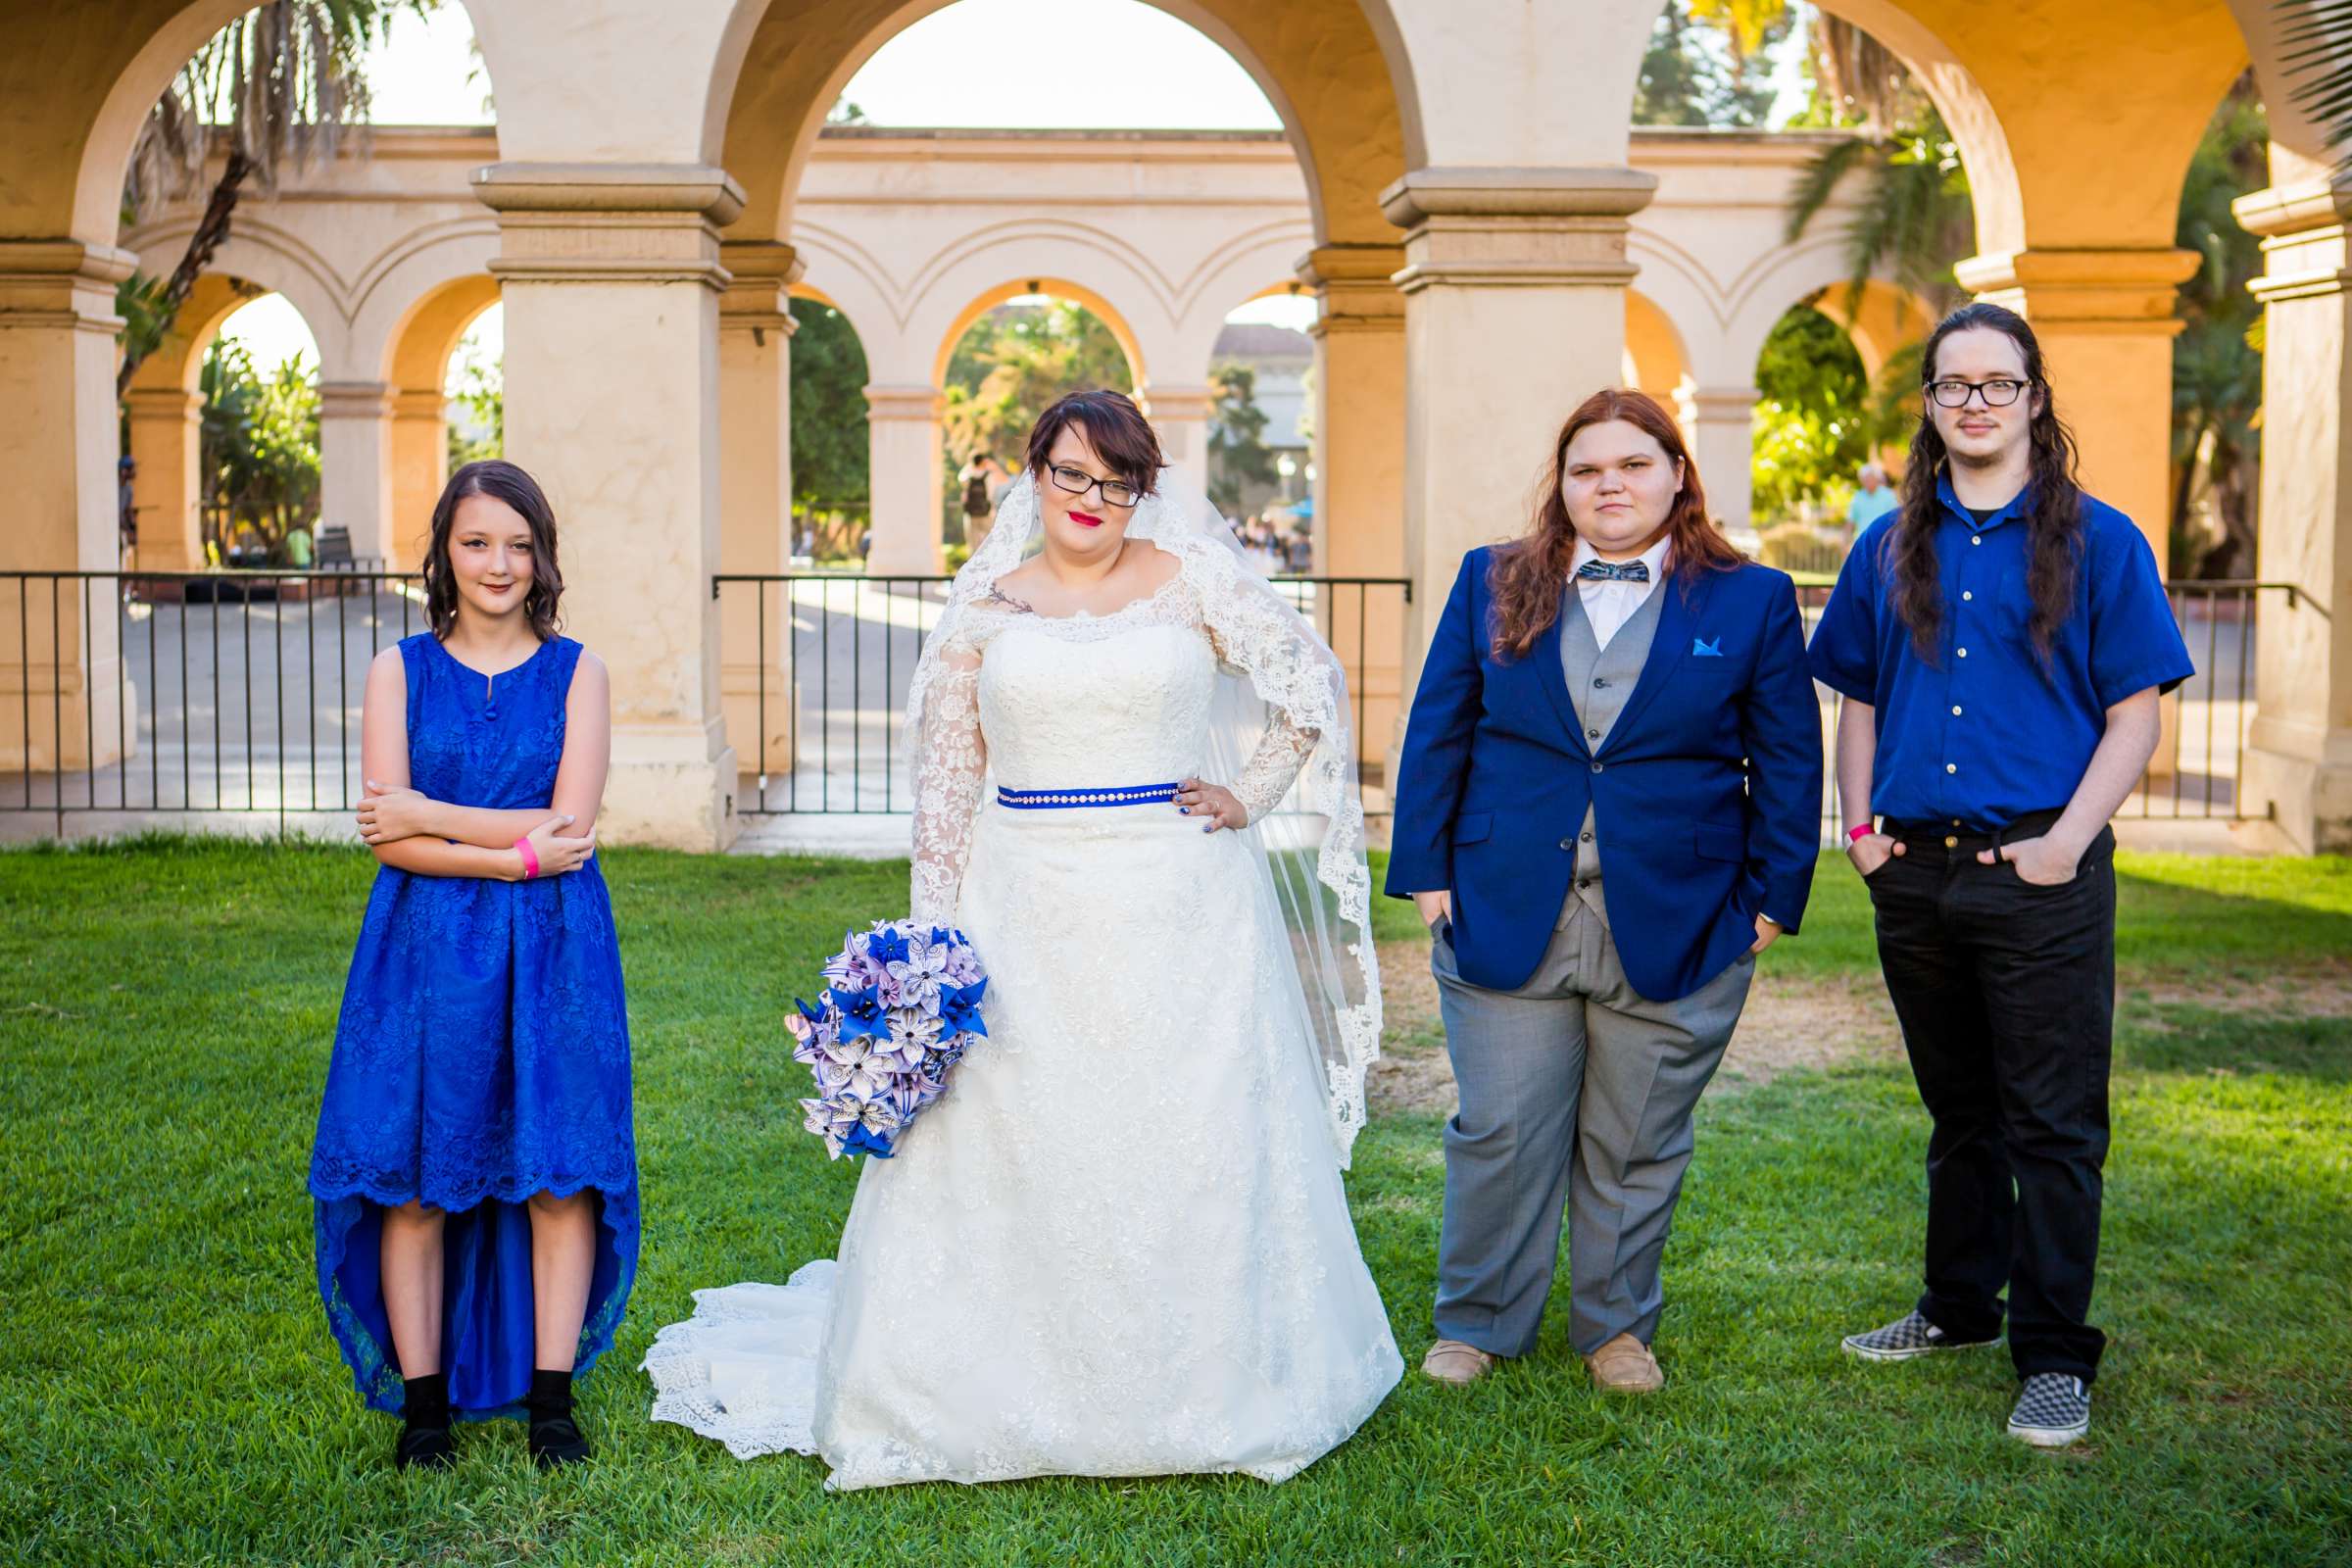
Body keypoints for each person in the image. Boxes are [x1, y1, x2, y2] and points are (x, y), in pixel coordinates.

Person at [645, 389, 1401, 1489]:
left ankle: (1206, 1376)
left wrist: (1246, 794)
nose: (1093, 499)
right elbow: (947, 795)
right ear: (1032, 471)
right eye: (1073, 473)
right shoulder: (983, 613)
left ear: (1144, 490)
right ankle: (985, 1376)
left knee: (1184, 1128)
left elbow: (1307, 695)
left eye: (1118, 481)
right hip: (1024, 902)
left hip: (1180, 903)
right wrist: (930, 950)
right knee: (1023, 1130)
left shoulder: (1194, 583)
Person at [1808, 303, 2193, 1448]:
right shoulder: (1888, 544)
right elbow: (1861, 698)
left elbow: (2134, 715)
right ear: (1927, 406)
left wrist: (2069, 840)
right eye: (1952, 386)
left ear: (2034, 399)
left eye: (1997, 383)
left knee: (2054, 1123)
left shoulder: (2102, 540)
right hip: (1914, 875)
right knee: (1959, 1111)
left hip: (2043, 871)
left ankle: (2058, 1357)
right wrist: (1861, 831)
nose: (1974, 403)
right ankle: (1958, 1308)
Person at [1387, 387, 1822, 1394]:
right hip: (1503, 900)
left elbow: (1790, 760)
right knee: (1498, 1127)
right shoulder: (1493, 580)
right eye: (1587, 469)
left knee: (1635, 1139)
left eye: (1633, 464)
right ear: (1564, 485)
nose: (1609, 484)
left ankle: (1615, 1329)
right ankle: (1478, 1322)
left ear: (1677, 474)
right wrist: (1429, 876)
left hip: (1682, 910)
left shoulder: (1749, 599)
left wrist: (1768, 900)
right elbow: (1438, 729)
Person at [312, 460, 632, 1470]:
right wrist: (508, 852)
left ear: (543, 556)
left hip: (553, 951)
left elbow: (571, 830)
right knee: (413, 1177)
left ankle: (551, 1401)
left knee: (557, 1172)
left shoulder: (579, 670)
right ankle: (424, 1409)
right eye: (477, 541)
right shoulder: (396, 670)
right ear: (445, 552)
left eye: (519, 543)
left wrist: (433, 815)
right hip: (423, 949)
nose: (499, 563)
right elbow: (386, 837)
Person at [1848, 462, 1899, 527]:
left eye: (1870, 478)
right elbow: (1851, 520)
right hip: (1864, 536)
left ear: (1876, 478)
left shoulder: (1888, 495)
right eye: (1864, 479)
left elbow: (1894, 518)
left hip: (1883, 536)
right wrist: (1846, 536)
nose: (1868, 482)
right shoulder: (1858, 496)